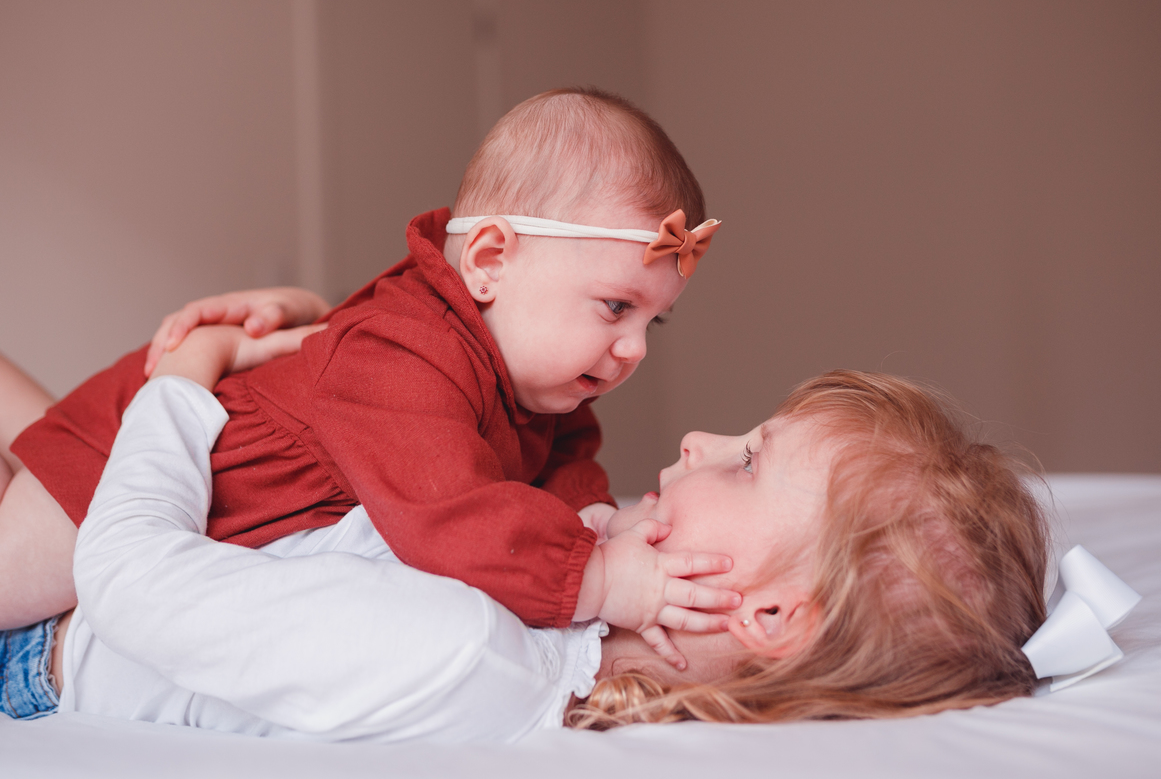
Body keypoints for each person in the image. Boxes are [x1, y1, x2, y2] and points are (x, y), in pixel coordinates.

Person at [2, 325, 1050, 735]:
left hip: (46, 639)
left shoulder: (463, 649)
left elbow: (133, 576)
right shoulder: (554, 610)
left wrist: (177, 388)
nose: (697, 434)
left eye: (747, 458)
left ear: (767, 608)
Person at [0, 88, 734, 665]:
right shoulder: (403, 356)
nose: (634, 349)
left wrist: (600, 522)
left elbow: (564, 472)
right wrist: (600, 582)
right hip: (109, 466)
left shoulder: (544, 390)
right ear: (486, 263)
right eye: (615, 308)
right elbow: (452, 519)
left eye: (652, 322)